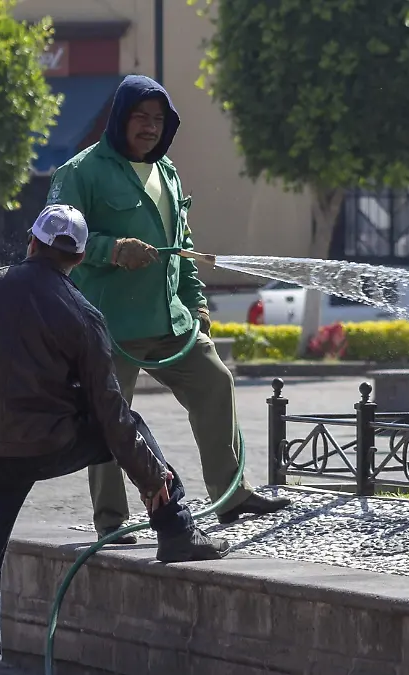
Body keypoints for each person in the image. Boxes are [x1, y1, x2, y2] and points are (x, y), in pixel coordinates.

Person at [0, 204, 229, 675]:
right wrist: (151, 477)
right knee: (133, 423)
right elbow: (110, 414)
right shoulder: (82, 314)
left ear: (32, 242)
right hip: (47, 445)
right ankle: (175, 527)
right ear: (79, 257)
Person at [45, 74, 289, 540]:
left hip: (169, 318)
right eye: (140, 116)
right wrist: (113, 250)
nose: (150, 127)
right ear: (119, 117)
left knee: (216, 381)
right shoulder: (80, 172)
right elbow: (56, 237)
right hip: (108, 324)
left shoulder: (167, 171)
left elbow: (185, 247)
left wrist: (197, 305)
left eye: (159, 120)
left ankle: (231, 494)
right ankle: (111, 522)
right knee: (109, 419)